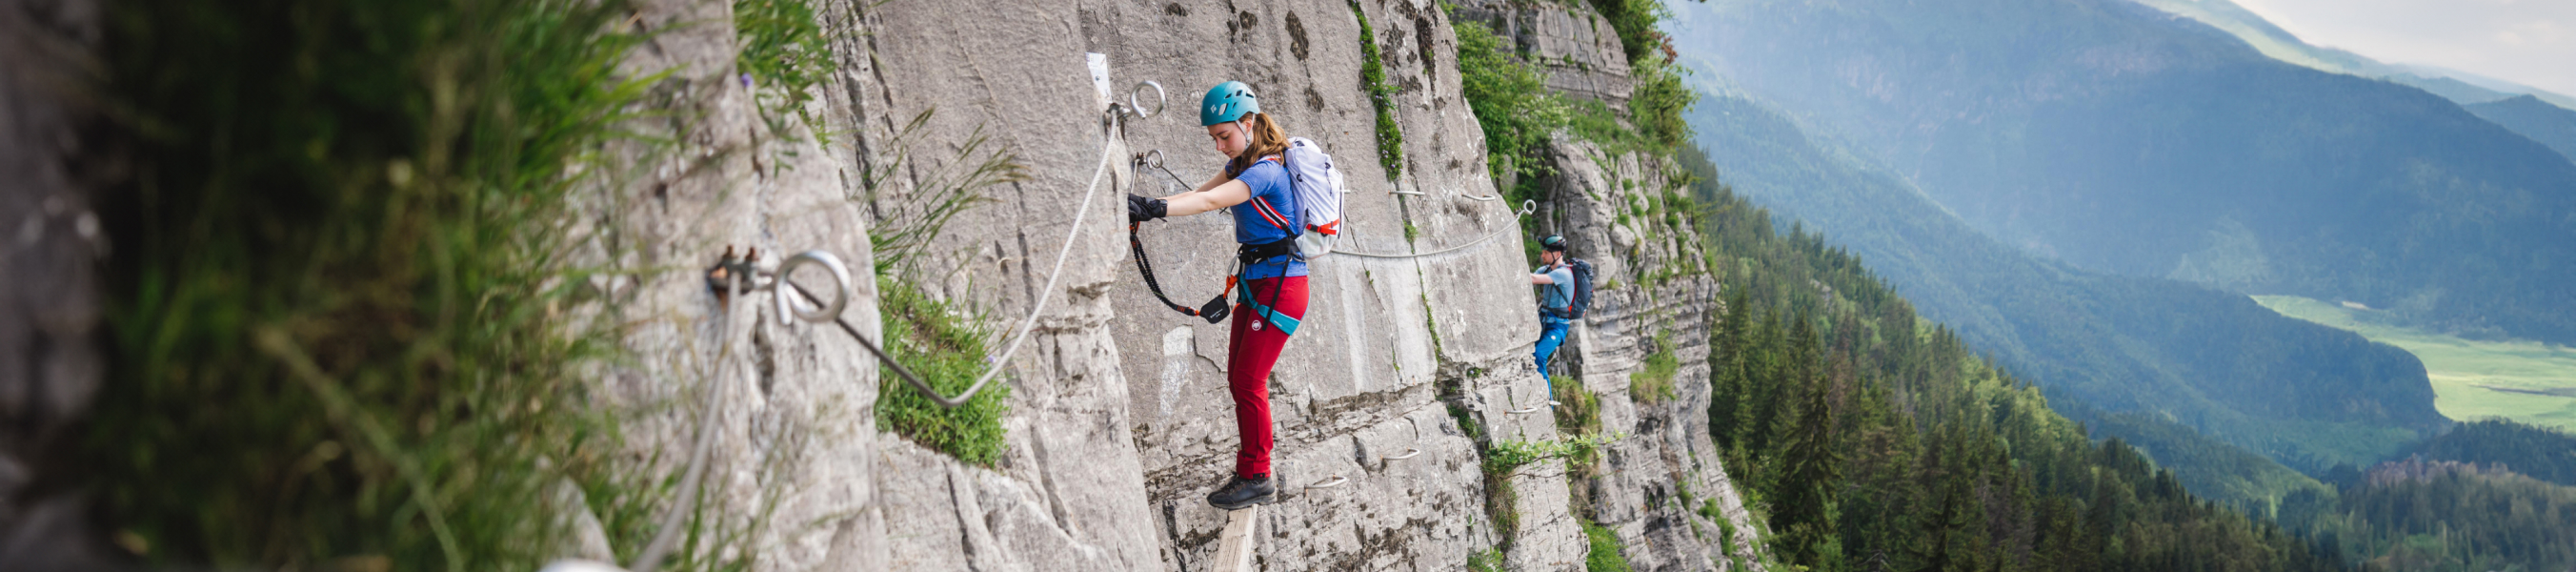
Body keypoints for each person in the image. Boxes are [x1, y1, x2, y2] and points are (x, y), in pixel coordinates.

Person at [1127, 80, 1306, 510]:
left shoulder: (1265, 170)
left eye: (1224, 135)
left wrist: (1155, 209)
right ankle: (1251, 469)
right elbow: (1200, 193)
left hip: (1281, 287)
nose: (1219, 146)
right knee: (1238, 377)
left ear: (1248, 123)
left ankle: (1257, 475)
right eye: (1214, 138)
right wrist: (1148, 204)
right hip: (1257, 281)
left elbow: (1213, 202)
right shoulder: (1242, 163)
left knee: (1249, 380)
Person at [1530, 235, 1574, 401]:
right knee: (1530, 357)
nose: (1542, 256)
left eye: (1545, 253)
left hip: (1558, 327)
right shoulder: (1547, 270)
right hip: (1544, 323)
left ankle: (1548, 402)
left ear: (1556, 253)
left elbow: (1532, 278)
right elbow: (1533, 278)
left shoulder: (1564, 274)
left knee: (1539, 355)